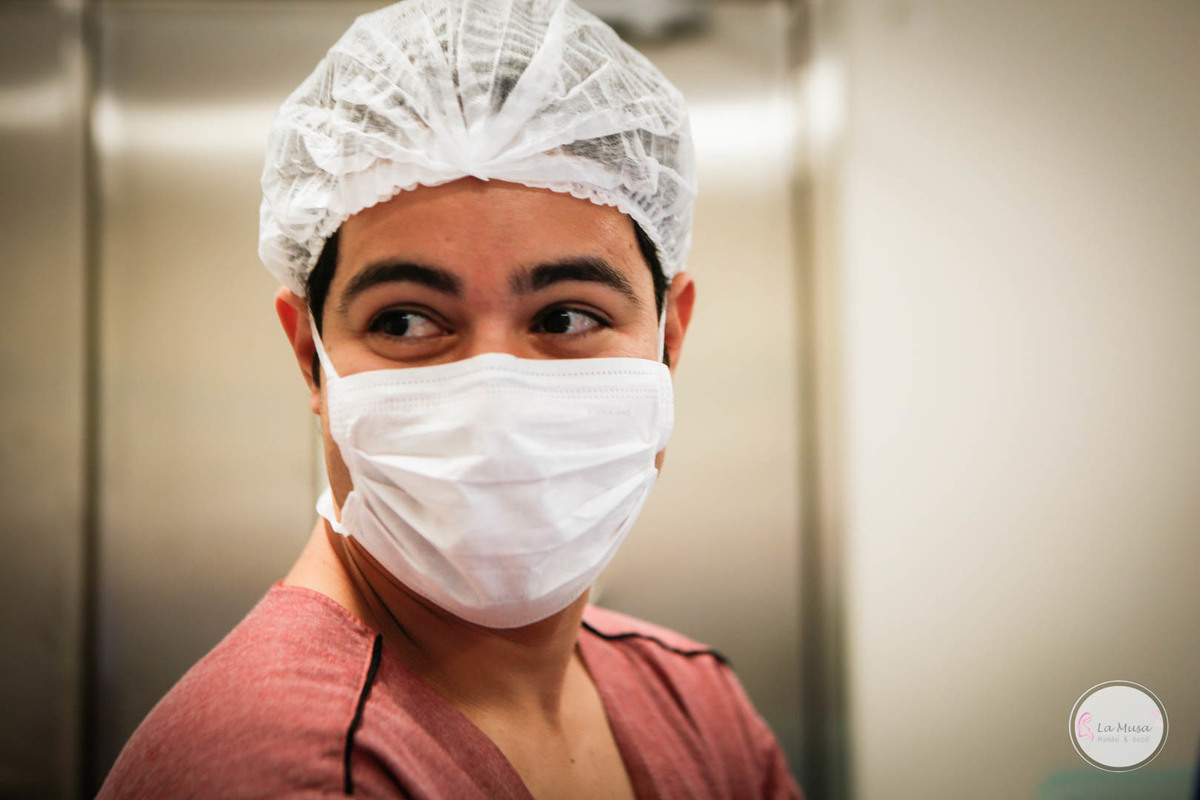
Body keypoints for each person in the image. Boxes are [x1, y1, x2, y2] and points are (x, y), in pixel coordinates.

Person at [97, 0, 803, 797]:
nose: (490, 402)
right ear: (310, 358)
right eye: (405, 321)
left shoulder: (697, 707)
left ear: (671, 339)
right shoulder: (291, 770)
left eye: (567, 317)